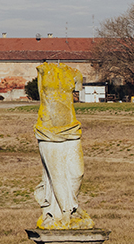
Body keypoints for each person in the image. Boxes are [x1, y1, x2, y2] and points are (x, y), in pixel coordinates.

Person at [34, 61, 92, 229]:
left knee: (77, 173)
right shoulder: (43, 70)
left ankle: (72, 206)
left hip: (71, 129)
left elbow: (78, 91)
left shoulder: (75, 73)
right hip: (48, 131)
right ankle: (65, 212)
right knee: (57, 176)